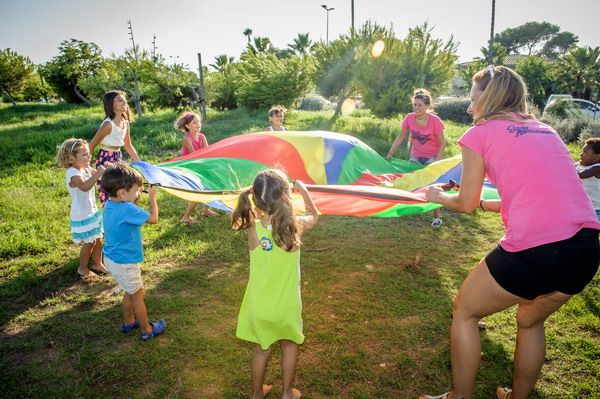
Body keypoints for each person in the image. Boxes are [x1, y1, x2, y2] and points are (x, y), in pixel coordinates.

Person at [420, 66, 600, 399]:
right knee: (530, 320)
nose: (471, 108)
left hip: (536, 250)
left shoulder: (479, 133)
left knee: (465, 310)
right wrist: (492, 205)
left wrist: (437, 196)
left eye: (474, 100)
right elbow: (542, 192)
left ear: (489, 99)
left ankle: (459, 397)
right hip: (585, 249)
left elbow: (465, 203)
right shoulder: (544, 129)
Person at [232, 169, 318, 399]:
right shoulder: (293, 225)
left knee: (262, 350)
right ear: (285, 196)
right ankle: (288, 393)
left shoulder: (251, 225)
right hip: (286, 305)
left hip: (260, 305)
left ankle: (256, 394)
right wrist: (306, 192)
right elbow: (315, 215)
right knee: (289, 345)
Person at [101, 162, 166, 340]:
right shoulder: (128, 208)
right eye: (137, 189)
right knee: (138, 295)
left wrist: (135, 192)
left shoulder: (111, 203)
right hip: (125, 261)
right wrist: (152, 197)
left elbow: (130, 202)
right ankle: (146, 329)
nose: (140, 192)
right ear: (122, 193)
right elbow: (153, 219)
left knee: (129, 291)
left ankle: (129, 321)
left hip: (112, 259)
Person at [386, 89, 446, 227]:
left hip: (432, 157)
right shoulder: (409, 118)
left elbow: (442, 143)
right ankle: (404, 208)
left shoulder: (435, 121)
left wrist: (437, 161)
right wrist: (390, 153)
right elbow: (401, 137)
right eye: (415, 105)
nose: (416, 108)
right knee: (410, 181)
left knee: (432, 186)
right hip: (416, 156)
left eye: (420, 105)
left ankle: (437, 217)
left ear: (427, 106)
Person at [56, 138, 108, 278]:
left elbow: (97, 173)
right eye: (84, 155)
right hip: (82, 214)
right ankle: (83, 268)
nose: (89, 157)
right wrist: (97, 174)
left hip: (92, 211)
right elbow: (85, 187)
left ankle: (97, 263)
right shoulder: (73, 173)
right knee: (89, 242)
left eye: (89, 153)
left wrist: (106, 170)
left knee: (98, 239)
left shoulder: (84, 168)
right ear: (72, 158)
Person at [89, 91, 140, 206]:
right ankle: (110, 215)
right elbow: (91, 145)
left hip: (118, 157)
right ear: (112, 105)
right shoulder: (107, 125)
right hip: (105, 158)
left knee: (123, 188)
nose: (124, 102)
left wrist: (139, 162)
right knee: (109, 190)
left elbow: (128, 145)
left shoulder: (125, 123)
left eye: (124, 100)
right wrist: (87, 166)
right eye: (120, 100)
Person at [174, 111, 217, 223]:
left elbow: (207, 152)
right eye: (194, 122)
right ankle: (186, 217)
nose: (198, 124)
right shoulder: (186, 138)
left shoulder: (202, 136)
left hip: (201, 164)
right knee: (198, 191)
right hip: (191, 167)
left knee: (210, 186)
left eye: (199, 122)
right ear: (187, 126)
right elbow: (195, 155)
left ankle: (205, 210)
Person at [576, 137, 600, 221]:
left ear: (597, 156)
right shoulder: (578, 165)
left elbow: (581, 175)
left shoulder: (597, 168)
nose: (581, 154)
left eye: (585, 152)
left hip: (596, 210)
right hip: (582, 207)